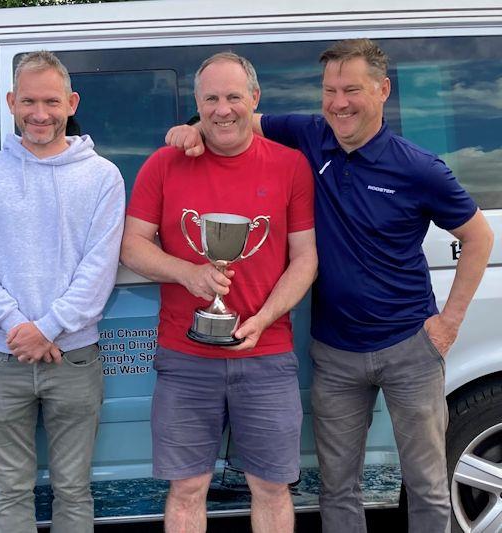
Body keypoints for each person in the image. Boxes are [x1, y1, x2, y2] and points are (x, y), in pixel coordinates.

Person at [164, 39, 494, 533]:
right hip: (335, 351)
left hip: (410, 347)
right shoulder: (311, 134)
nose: (339, 102)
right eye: (330, 90)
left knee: (426, 484)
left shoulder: (418, 166)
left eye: (352, 90)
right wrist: (188, 130)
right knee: (338, 488)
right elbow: (234, 118)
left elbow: (479, 237)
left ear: (382, 90)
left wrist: (449, 324)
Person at [120, 52, 318, 533]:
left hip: (266, 354)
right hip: (185, 358)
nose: (222, 109)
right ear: (197, 103)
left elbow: (306, 258)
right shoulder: (164, 165)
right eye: (210, 98)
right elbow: (131, 247)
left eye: (233, 97)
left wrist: (266, 317)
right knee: (187, 490)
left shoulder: (290, 166)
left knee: (271, 489)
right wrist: (188, 274)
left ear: (254, 99)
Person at [0, 50, 125, 533]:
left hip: (74, 359)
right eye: (29, 100)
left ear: (71, 102)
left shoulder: (102, 177)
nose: (40, 113)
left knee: (73, 490)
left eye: (51, 101)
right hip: (2, 357)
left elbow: (99, 268)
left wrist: (46, 329)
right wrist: (18, 328)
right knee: (11, 490)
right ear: (11, 102)